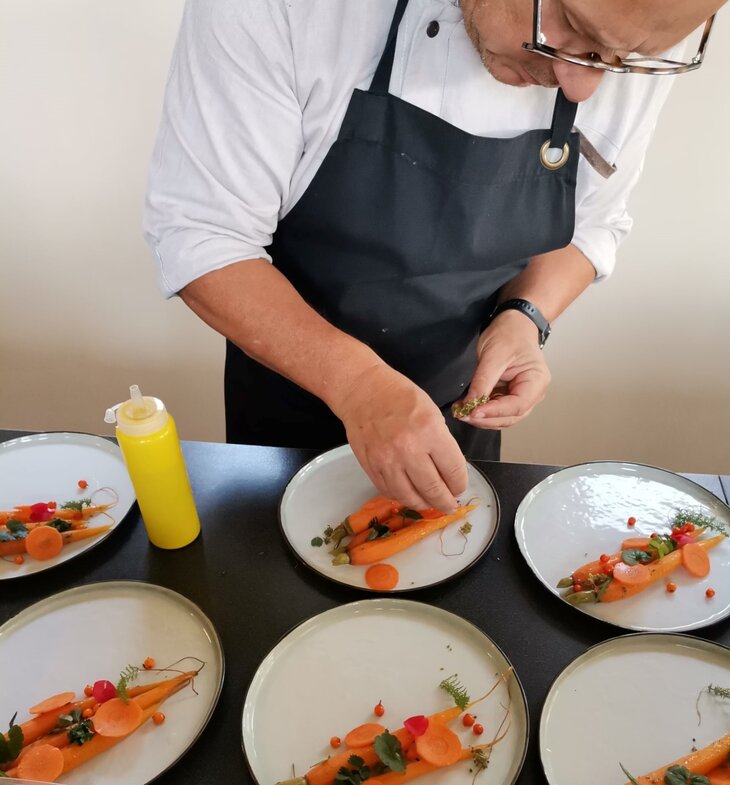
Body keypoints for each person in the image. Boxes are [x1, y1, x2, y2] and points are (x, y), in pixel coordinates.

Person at [144, 0, 724, 513]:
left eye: (623, 61)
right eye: (570, 26)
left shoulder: (631, 29)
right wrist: (358, 385)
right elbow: (204, 234)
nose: (582, 86)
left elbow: (594, 224)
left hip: (460, 415)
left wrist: (524, 317)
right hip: (284, 412)